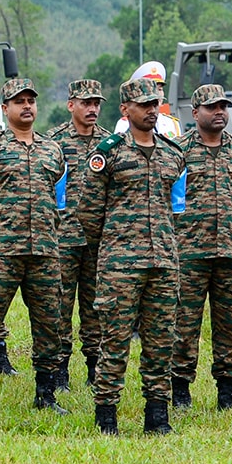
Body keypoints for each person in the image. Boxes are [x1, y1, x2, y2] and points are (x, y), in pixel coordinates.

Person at [76, 77, 187, 435]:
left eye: (155, 104)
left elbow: (177, 210)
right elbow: (88, 212)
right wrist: (114, 243)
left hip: (164, 263)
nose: (152, 111)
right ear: (125, 110)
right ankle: (106, 415)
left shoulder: (173, 155)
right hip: (120, 264)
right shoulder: (108, 154)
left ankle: (157, 415)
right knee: (115, 340)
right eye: (144, 105)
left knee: (161, 341)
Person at [0, 77, 68, 413]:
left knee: (49, 324)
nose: (27, 106)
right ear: (4, 108)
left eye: (31, 100)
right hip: (1, 250)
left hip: (43, 250)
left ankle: (46, 394)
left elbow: (60, 203)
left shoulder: (52, 150)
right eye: (19, 101)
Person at [173, 84, 232, 411]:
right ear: (195, 114)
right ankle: (180, 391)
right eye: (211, 107)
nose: (219, 111)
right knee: (184, 324)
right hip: (189, 252)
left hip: (231, 253)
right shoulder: (177, 151)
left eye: (223, 106)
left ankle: (226, 393)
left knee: (230, 325)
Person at [48, 79, 106, 388]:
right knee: (59, 307)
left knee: (96, 307)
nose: (92, 108)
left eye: (96, 103)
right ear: (71, 105)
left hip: (97, 241)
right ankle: (59, 372)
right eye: (86, 103)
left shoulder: (109, 144)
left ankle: (95, 369)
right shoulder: (54, 142)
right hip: (64, 238)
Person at [114, 61, 182, 139]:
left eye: (159, 89)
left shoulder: (171, 123)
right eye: (152, 90)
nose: (157, 95)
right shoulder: (125, 124)